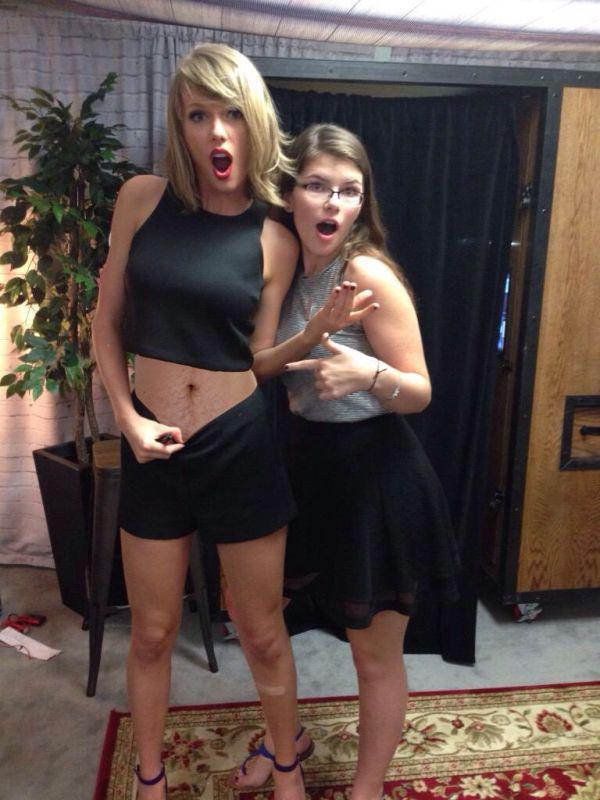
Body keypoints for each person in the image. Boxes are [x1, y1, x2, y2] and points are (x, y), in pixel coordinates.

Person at [92, 43, 309, 800]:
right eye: (198, 115)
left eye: (232, 114)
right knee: (152, 632)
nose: (216, 132)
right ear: (179, 125)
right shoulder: (141, 200)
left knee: (261, 632)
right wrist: (126, 418)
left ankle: (287, 772)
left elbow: (260, 358)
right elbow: (106, 321)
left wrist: (318, 343)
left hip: (240, 444)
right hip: (151, 444)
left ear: (256, 124)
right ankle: (150, 782)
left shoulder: (277, 235)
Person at [236, 123, 460, 800]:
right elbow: (260, 364)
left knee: (374, 655)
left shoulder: (365, 272)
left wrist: (368, 375)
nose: (333, 203)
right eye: (317, 185)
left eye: (349, 190)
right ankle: (289, 742)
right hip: (305, 469)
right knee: (257, 617)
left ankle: (366, 790)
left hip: (376, 477)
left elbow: (420, 391)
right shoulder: (286, 267)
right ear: (291, 195)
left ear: (363, 203)